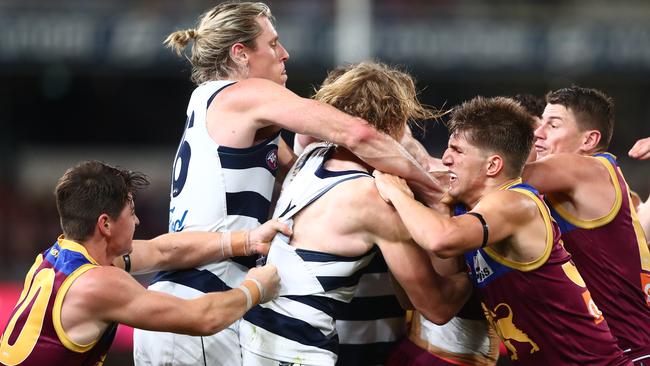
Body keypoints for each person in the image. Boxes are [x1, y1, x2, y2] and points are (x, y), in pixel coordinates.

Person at [135, 3, 444, 364]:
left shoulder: (209, 102)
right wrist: (433, 189)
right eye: (273, 43)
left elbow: (306, 168)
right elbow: (357, 133)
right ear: (241, 54)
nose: (285, 54)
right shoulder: (245, 94)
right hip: (206, 294)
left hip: (181, 295)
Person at [238, 61, 471, 366]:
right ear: (394, 124)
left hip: (255, 336)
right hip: (299, 350)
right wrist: (478, 272)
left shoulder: (309, 157)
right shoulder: (374, 198)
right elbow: (437, 307)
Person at [374, 96, 630, 365]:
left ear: (493, 165)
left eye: (457, 151)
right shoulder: (470, 214)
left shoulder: (517, 203)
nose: (446, 159)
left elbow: (441, 238)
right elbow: (436, 302)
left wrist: (396, 192)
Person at [0, 161, 286, 366]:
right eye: (132, 212)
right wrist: (256, 288)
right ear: (106, 224)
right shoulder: (98, 284)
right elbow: (203, 318)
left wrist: (246, 240)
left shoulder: (58, 256)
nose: (137, 221)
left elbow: (161, 251)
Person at [523, 86, 650, 364]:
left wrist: (416, 166)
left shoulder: (588, 169)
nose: (538, 132)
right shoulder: (571, 187)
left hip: (629, 352)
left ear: (589, 139)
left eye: (553, 125)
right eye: (541, 123)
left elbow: (496, 173)